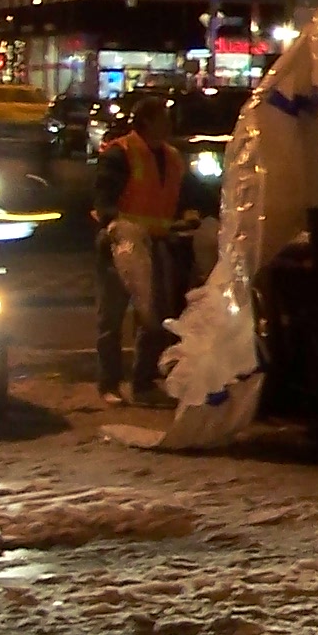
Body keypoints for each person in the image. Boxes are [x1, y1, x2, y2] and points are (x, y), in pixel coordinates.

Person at [91, 93, 195, 403]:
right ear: (147, 122)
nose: (169, 124)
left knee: (152, 317)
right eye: (163, 118)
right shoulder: (120, 153)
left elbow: (185, 195)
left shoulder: (172, 157)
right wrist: (116, 227)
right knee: (112, 317)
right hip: (120, 245)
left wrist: (190, 213)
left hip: (156, 243)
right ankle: (109, 384)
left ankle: (143, 384)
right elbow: (104, 201)